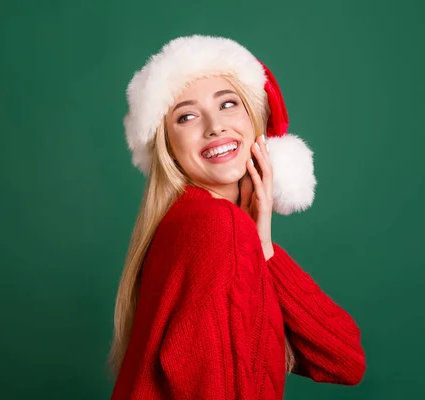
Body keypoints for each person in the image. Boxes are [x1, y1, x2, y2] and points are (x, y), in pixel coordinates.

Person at [107, 35, 366, 399]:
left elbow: (344, 360)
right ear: (169, 147)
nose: (214, 126)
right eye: (187, 116)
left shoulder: (196, 223)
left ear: (255, 119)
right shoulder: (214, 226)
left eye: (228, 104)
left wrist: (262, 248)